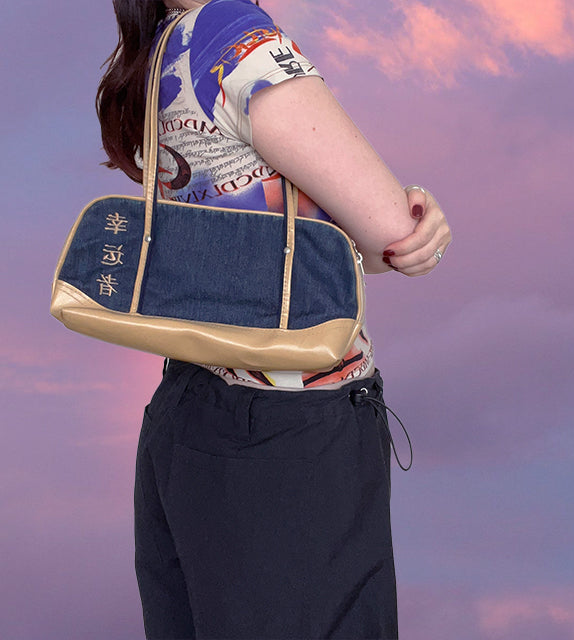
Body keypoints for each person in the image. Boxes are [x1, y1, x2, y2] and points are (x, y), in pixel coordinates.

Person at [97, 0, 451, 638]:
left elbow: (278, 238)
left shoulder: (157, 55)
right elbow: (389, 239)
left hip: (192, 409)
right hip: (288, 429)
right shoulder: (231, 31)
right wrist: (418, 219)